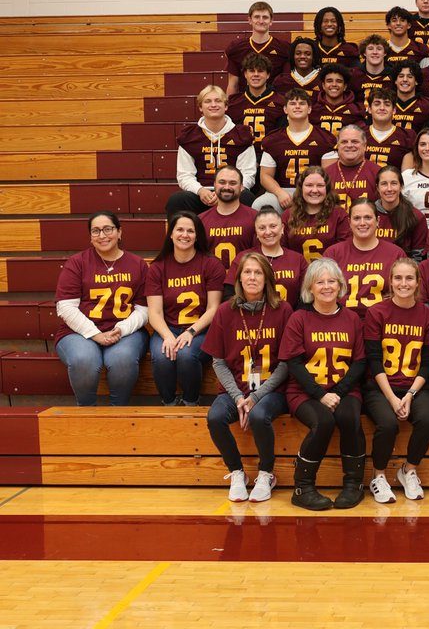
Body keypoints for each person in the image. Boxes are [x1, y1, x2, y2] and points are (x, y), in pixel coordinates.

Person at [204, 252, 293, 502]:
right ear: (239, 278)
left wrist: (254, 397)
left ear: (267, 278)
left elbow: (286, 364)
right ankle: (237, 473)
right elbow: (218, 362)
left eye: (258, 272)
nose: (252, 277)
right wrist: (238, 397)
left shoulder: (282, 310)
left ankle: (266, 473)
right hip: (234, 389)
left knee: (259, 415)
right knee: (215, 417)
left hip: (272, 390)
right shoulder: (224, 311)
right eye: (247, 272)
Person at [281, 258, 367, 511]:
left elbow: (360, 362)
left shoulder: (352, 319)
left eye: (332, 281)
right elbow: (294, 364)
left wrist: (337, 392)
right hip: (305, 392)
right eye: (320, 282)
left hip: (344, 390)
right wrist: (320, 395)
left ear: (340, 285)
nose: (326, 286)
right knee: (324, 421)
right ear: (310, 287)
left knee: (350, 417)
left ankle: (354, 485)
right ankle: (302, 488)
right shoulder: (299, 319)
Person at [362, 258, 429, 503]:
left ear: (418, 282)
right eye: (398, 278)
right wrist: (391, 398)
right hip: (381, 386)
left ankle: (409, 469)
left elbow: (428, 363)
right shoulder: (376, 312)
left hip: (414, 386)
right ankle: (378, 476)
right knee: (388, 424)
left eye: (409, 278)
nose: (403, 283)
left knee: (428, 420)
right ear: (390, 281)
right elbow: (374, 360)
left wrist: (408, 396)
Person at [54, 212, 149, 407]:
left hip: (125, 331)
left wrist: (121, 329)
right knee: (84, 359)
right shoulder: (77, 263)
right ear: (90, 236)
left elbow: (145, 309)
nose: (102, 235)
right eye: (96, 231)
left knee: (122, 359)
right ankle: (86, 412)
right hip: (79, 332)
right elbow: (65, 307)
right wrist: (95, 334)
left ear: (119, 232)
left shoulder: (138, 264)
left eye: (108, 229)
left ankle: (118, 412)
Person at [146, 212, 225, 407]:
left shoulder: (211, 264)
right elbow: (154, 312)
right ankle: (169, 404)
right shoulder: (158, 267)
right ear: (170, 234)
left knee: (187, 355)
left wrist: (191, 331)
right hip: (169, 327)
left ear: (197, 236)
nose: (185, 235)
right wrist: (167, 336)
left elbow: (214, 308)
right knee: (162, 356)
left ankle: (191, 402)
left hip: (202, 329)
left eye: (191, 231)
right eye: (179, 229)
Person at [167, 85, 257, 216]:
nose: (213, 105)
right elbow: (184, 175)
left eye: (218, 101)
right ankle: (181, 235)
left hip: (231, 191)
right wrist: (200, 191)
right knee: (177, 200)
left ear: (226, 106)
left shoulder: (241, 135)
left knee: (247, 197)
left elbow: (248, 173)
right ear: (200, 108)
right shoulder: (189, 136)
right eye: (208, 101)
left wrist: (228, 190)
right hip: (202, 192)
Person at [254, 88, 338, 212]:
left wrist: (311, 192)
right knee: (260, 205)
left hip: (315, 190)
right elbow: (265, 176)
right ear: (285, 109)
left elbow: (330, 175)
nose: (297, 107)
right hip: (283, 190)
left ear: (309, 109)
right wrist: (279, 193)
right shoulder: (273, 139)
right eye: (292, 103)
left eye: (302, 103)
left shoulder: (324, 138)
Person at [324, 198, 406, 318]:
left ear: (378, 221)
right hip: (341, 322)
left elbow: (406, 291)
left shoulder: (396, 254)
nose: (362, 223)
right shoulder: (333, 253)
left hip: (384, 321)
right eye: (357, 218)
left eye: (368, 217)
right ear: (349, 222)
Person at [226, 207, 308, 308]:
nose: (268, 232)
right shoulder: (243, 258)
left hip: (289, 319)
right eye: (262, 228)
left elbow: (306, 298)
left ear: (282, 228)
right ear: (256, 232)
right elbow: (229, 295)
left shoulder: (298, 259)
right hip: (252, 320)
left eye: (273, 226)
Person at [283, 166, 350, 262]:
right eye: (309, 185)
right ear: (301, 188)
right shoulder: (287, 216)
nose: (314, 190)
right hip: (298, 273)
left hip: (331, 273)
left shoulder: (339, 215)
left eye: (320, 185)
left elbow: (344, 251)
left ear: (327, 188)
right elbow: (282, 251)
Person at [200, 165, 258, 269]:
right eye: (222, 182)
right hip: (213, 283)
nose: (227, 187)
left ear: (241, 187)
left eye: (233, 183)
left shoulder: (255, 218)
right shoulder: (201, 220)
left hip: (244, 282)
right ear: (215, 185)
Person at [225, 1, 289, 95]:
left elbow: (286, 85)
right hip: (245, 103)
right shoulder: (237, 48)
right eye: (257, 17)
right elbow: (232, 84)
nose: (261, 21)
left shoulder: (283, 48)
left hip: (273, 104)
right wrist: (229, 107)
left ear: (271, 21)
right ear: (249, 20)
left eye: (265, 17)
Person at [374, 165, 428, 258]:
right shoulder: (369, 214)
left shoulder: (416, 217)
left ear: (401, 186)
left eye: (394, 183)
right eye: (384, 184)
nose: (389, 189)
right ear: (377, 188)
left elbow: (418, 258)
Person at [227, 53, 282, 145]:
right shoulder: (233, 103)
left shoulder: (281, 103)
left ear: (268, 75)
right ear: (245, 74)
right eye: (252, 71)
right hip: (243, 156)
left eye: (260, 71)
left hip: (270, 156)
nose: (256, 74)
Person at [324, 124, 381, 211]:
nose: (349, 145)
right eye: (344, 142)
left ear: (365, 146)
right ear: (337, 145)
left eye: (355, 141)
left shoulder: (378, 173)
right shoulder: (325, 174)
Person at [362, 89, 413, 169]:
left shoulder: (407, 136)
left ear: (394, 110)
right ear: (369, 109)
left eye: (387, 104)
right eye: (377, 104)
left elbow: (407, 175)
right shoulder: (359, 134)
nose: (382, 108)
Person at [273, 37, 322, 103]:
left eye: (307, 54)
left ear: (314, 57)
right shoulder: (281, 81)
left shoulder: (323, 80)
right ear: (292, 56)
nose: (302, 56)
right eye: (298, 53)